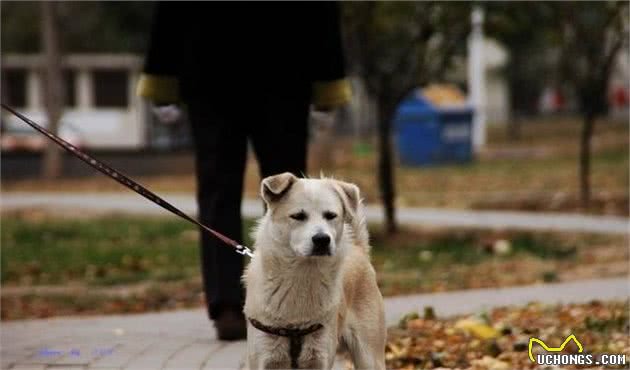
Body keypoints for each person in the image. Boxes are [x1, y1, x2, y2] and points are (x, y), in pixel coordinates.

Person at [137, 2, 351, 340]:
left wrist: (162, 77)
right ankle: (252, 303)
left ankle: (243, 304)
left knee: (243, 194)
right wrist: (328, 84)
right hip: (277, 67)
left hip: (220, 65)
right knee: (275, 195)